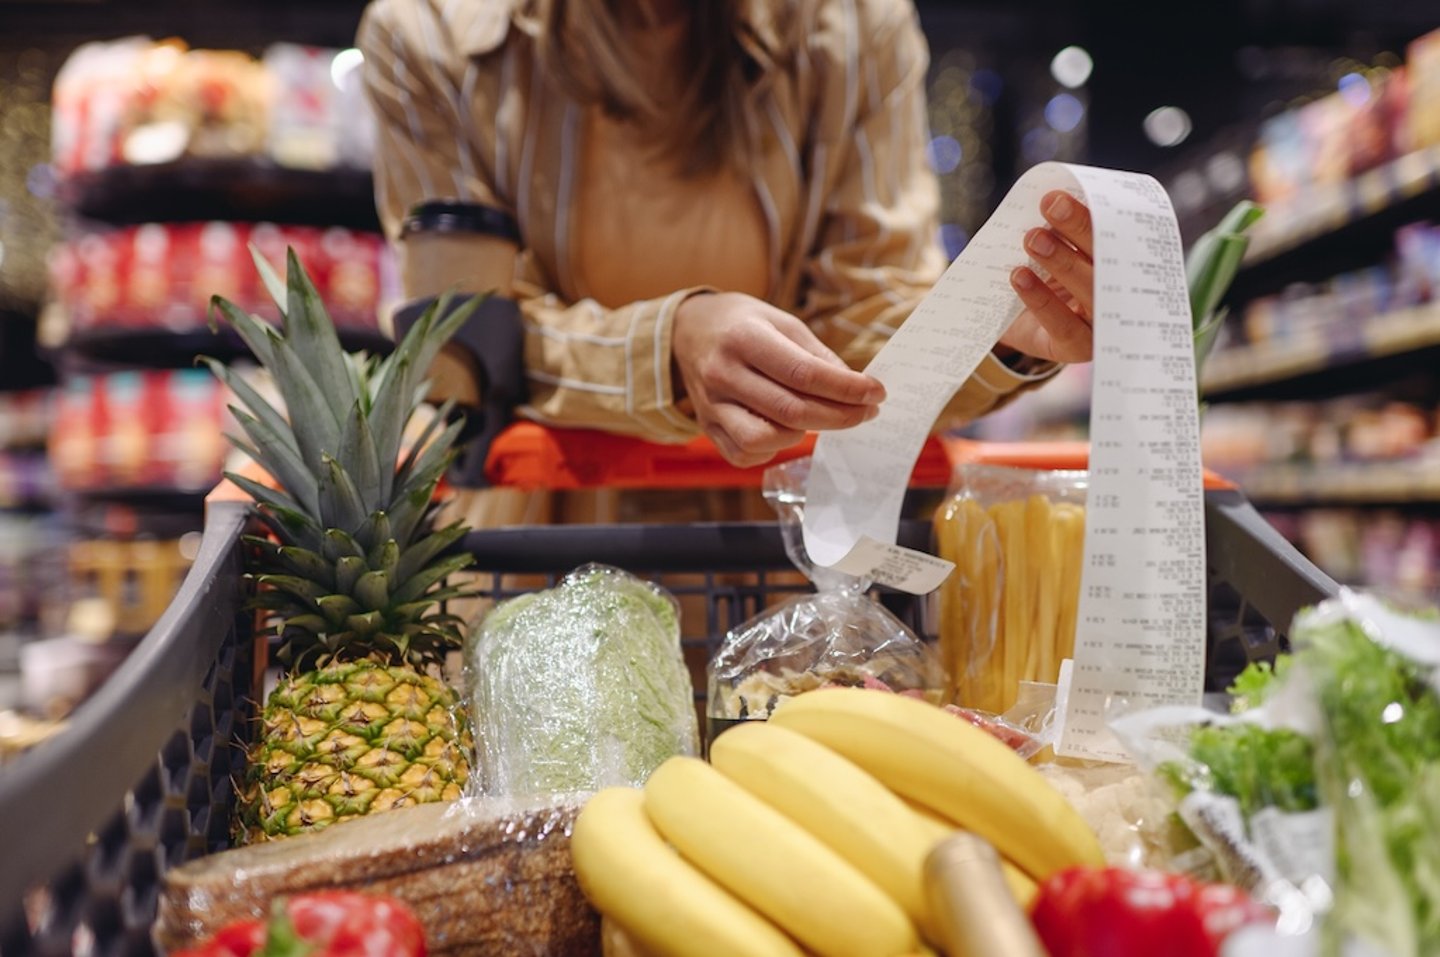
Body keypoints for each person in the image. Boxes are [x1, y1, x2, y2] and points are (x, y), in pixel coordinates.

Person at [356, 0, 1094, 491]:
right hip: (536, 548)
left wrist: (1000, 331)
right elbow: (461, 344)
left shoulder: (854, 25)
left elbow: (869, 316)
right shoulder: (427, 34)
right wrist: (665, 349)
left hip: (781, 553)